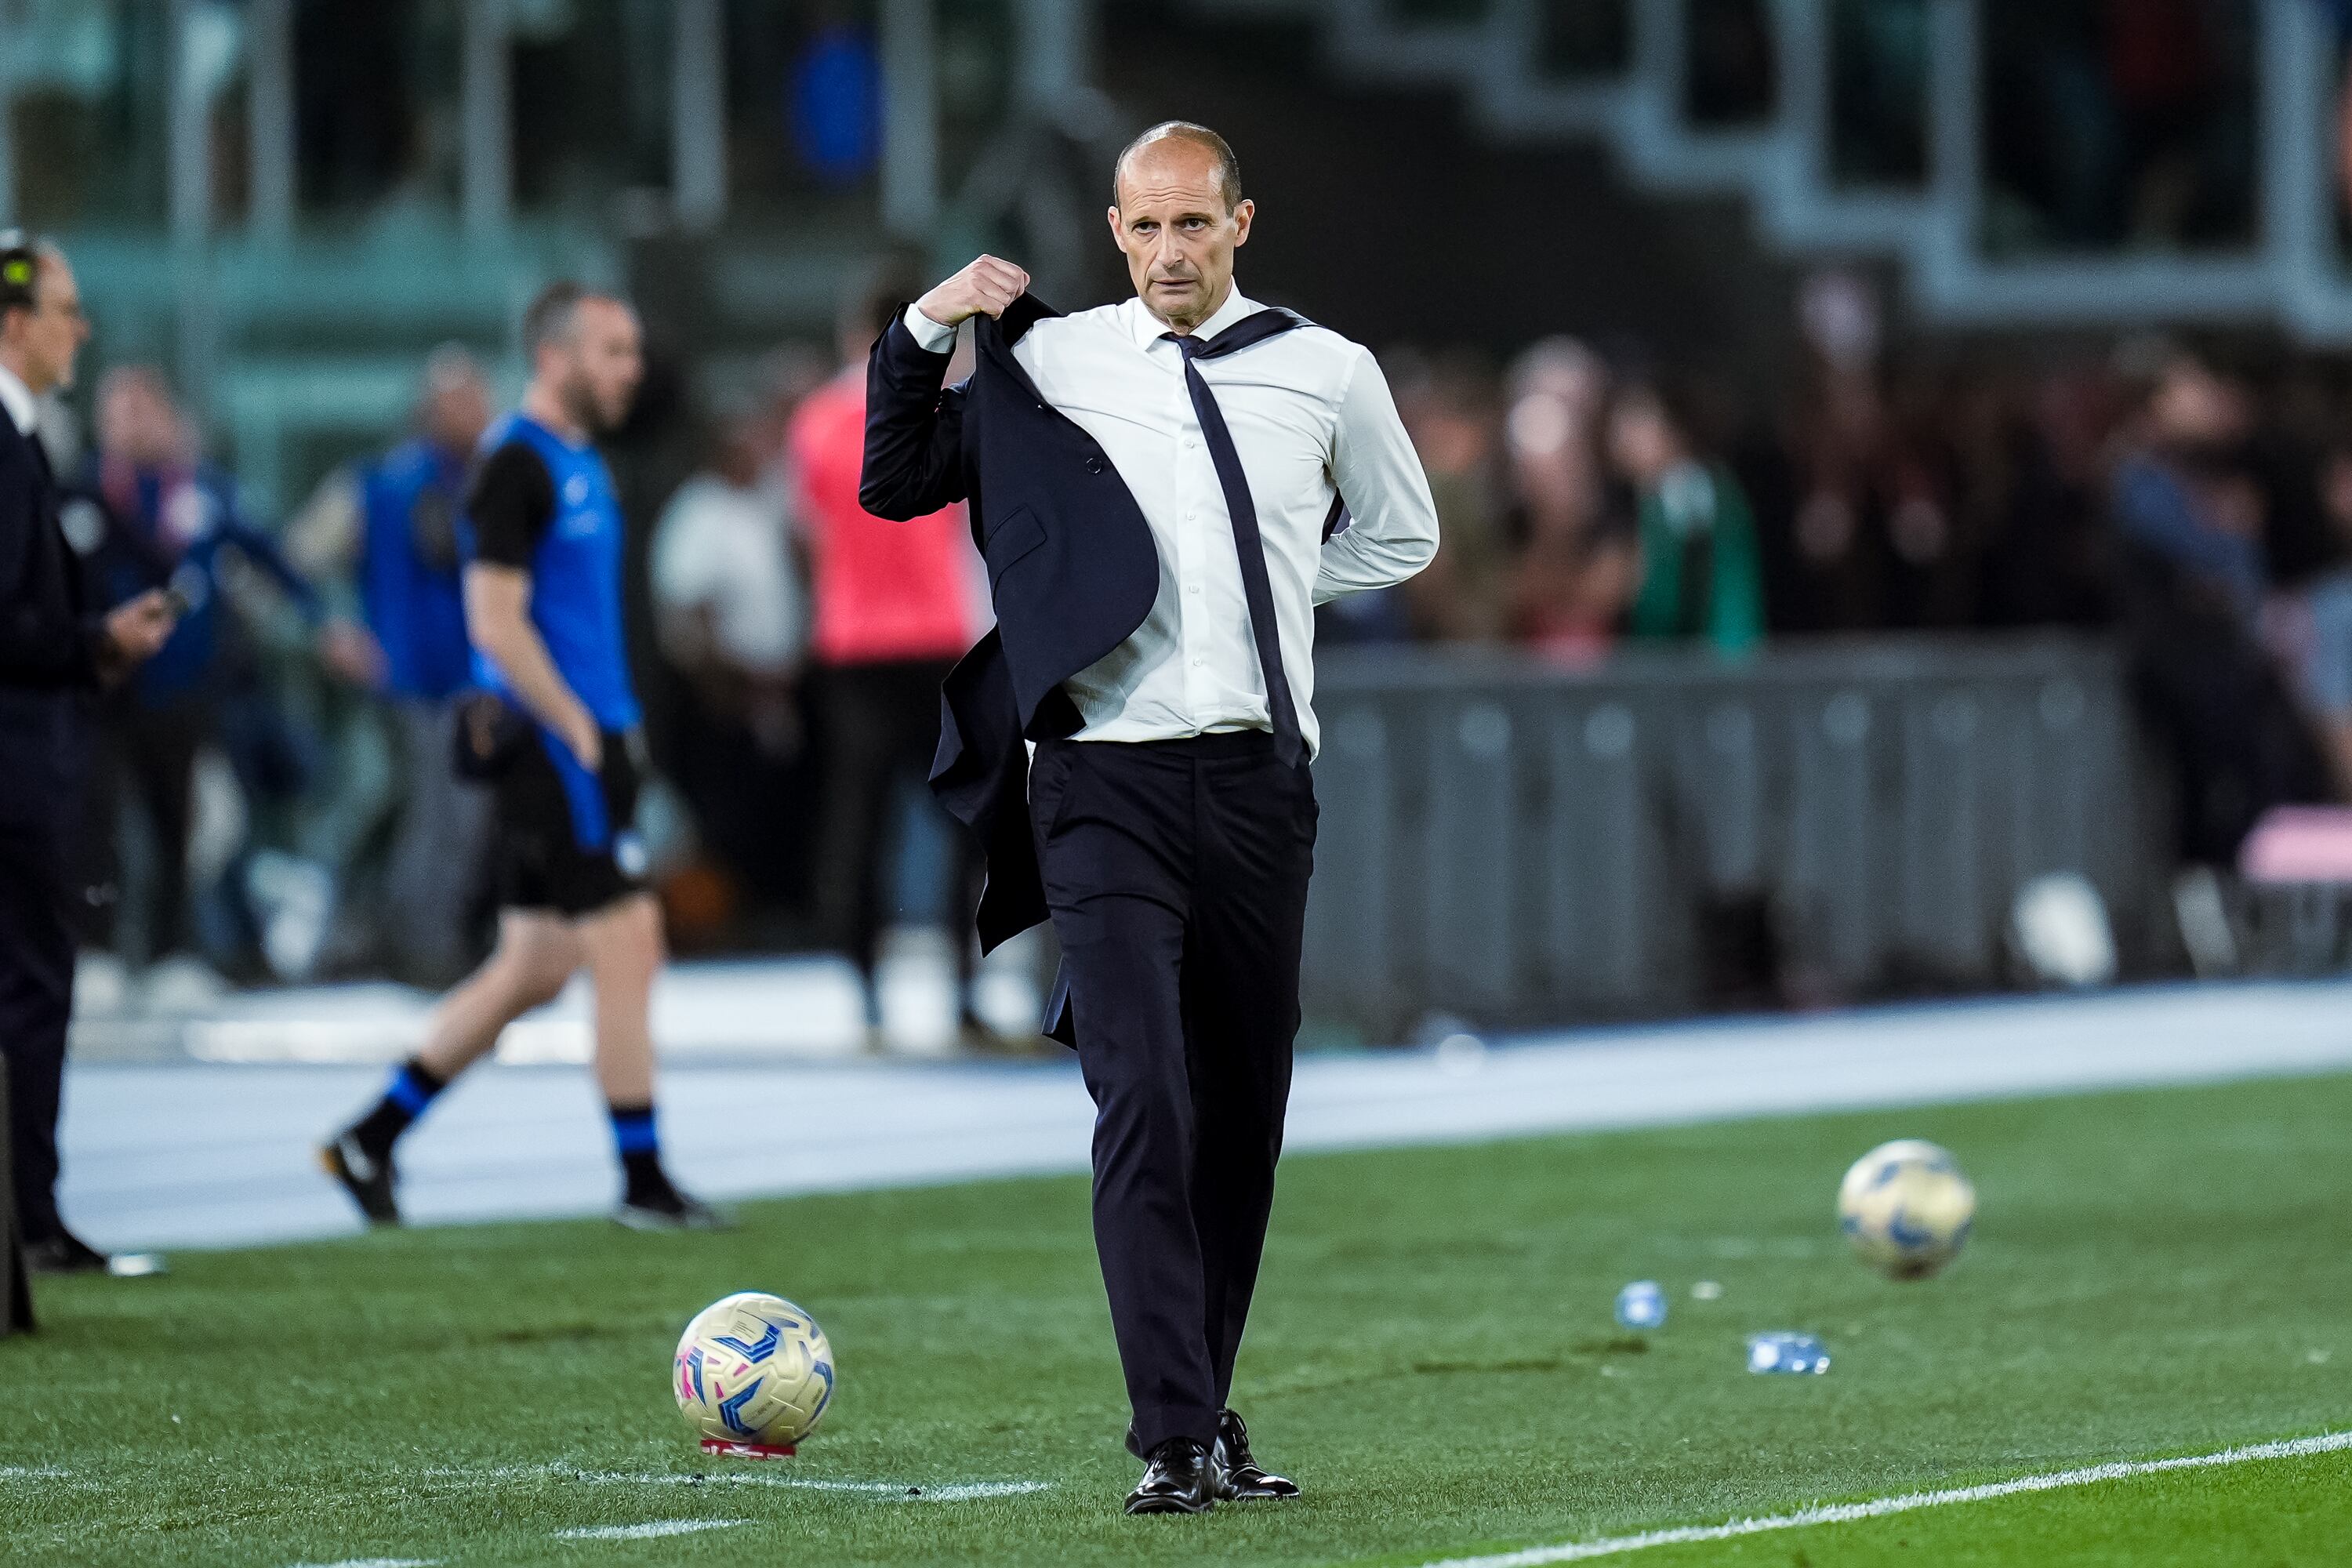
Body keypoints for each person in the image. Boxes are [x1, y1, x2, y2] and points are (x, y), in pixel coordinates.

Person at [862, 122, 1439, 1512]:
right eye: (1143, 229)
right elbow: (895, 478)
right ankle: (1174, 1432)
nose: (1167, 253)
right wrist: (926, 322)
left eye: (1193, 225)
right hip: (1100, 779)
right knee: (1142, 1093)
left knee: (1240, 1117)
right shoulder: (1050, 362)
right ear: (1114, 235)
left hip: (1257, 785)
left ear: (1243, 220)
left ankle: (1208, 1401)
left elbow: (1405, 533)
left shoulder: (1325, 367)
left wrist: (1274, 582)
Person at [320, 282, 717, 1231]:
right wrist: (580, 727)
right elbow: (493, 623)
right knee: (630, 943)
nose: (632, 369)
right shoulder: (514, 464)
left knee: (535, 964)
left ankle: (369, 1135)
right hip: (554, 747)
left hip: (587, 737)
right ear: (554, 356)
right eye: (612, 351)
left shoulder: (581, 462)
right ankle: (643, 1179)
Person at [0, 235, 177, 1274]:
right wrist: (92, 644)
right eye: (67, 309)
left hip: (30, 745)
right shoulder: (10, 443)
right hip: (18, 769)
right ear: (15, 320)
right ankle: (32, 1222)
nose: (83, 331)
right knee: (31, 987)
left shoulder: (33, 443)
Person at [75, 365, 354, 981]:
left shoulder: (203, 491)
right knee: (97, 829)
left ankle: (175, 954)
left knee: (184, 830)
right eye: (117, 411)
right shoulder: (83, 492)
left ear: (172, 415)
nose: (130, 423)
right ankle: (96, 953)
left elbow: (273, 558)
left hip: (184, 690)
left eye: (143, 408)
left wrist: (323, 625)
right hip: (102, 693)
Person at [790, 273, 988, 1050]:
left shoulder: (815, 422)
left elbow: (809, 532)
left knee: (859, 824)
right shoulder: (951, 409)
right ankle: (964, 998)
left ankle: (867, 1000)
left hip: (854, 646)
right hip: (941, 640)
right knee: (971, 824)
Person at [358, 347, 498, 982]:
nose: (477, 411)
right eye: (461, 400)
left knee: (460, 818)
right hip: (423, 676)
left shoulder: (472, 476)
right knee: (440, 818)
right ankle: (418, 946)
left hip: (469, 674)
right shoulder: (401, 482)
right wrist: (338, 632)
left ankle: (428, 940)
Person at [1606, 381, 1765, 654]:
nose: (1624, 442)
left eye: (1636, 428)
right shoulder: (1643, 497)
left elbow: (1675, 594)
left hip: (1708, 659)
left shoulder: (1692, 488)